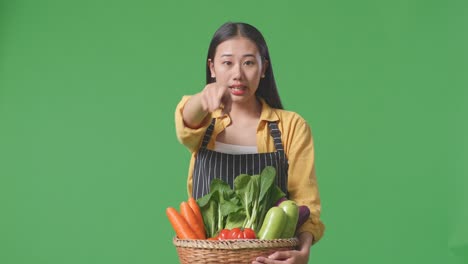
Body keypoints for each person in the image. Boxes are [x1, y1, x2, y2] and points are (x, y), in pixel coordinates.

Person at [174, 22, 325, 264]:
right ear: (212, 67)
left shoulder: (291, 126)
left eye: (248, 62)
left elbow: (305, 203)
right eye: (227, 62)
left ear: (263, 68)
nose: (238, 74)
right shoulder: (205, 122)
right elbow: (185, 122)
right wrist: (203, 99)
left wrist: (303, 251)